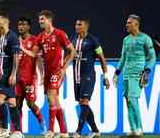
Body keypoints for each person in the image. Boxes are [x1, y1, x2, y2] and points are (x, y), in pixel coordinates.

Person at [27, 10, 75, 138]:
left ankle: (51, 130)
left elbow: (72, 51)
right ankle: (64, 132)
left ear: (49, 20)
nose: (40, 22)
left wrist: (64, 68)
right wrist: (21, 47)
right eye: (39, 19)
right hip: (47, 73)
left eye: (42, 19)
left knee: (51, 97)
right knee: (54, 101)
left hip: (57, 71)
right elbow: (33, 54)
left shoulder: (59, 34)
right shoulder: (40, 37)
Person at [113, 14, 156, 137]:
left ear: (136, 24)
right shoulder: (126, 40)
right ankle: (133, 129)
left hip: (138, 73)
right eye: (127, 23)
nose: (126, 25)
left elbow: (152, 57)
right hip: (126, 74)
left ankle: (139, 129)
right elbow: (123, 58)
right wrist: (117, 73)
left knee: (133, 99)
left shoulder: (145, 39)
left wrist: (147, 71)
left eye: (129, 23)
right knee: (128, 101)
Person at [71, 18, 110, 138]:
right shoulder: (73, 41)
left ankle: (78, 132)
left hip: (88, 76)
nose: (77, 26)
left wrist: (106, 76)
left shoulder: (93, 40)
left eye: (79, 24)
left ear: (86, 27)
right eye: (76, 24)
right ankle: (95, 131)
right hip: (76, 76)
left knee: (84, 101)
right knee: (83, 104)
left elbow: (102, 58)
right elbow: (68, 56)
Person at [0, 12, 23, 138]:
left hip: (9, 73)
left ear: (6, 21)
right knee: (11, 102)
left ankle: (4, 128)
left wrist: (13, 74)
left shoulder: (12, 37)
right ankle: (17, 131)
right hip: (2, 73)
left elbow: (16, 56)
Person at [15, 16, 46, 133]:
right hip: (18, 77)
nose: (21, 27)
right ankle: (18, 131)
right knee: (17, 105)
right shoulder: (14, 40)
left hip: (30, 77)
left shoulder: (34, 40)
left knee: (30, 104)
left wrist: (42, 75)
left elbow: (38, 59)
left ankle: (42, 123)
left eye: (23, 25)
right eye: (19, 25)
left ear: (28, 27)